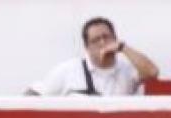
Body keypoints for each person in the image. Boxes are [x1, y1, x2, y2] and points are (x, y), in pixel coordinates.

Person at [25, 17, 159, 96]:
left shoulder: (127, 70)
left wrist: (123, 48)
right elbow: (35, 94)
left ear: (115, 39)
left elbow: (152, 72)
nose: (102, 42)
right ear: (87, 47)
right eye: (96, 40)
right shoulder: (69, 70)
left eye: (106, 37)